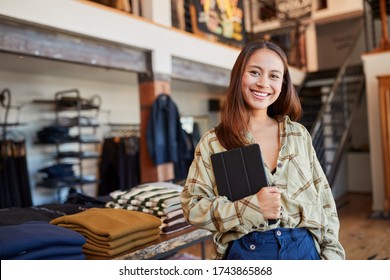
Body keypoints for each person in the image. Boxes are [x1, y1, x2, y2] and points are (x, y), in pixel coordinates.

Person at [180, 40, 345, 260]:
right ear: (239, 76)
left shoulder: (298, 134)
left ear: (283, 84)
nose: (263, 83)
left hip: (305, 250)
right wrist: (251, 207)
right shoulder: (213, 142)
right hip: (247, 253)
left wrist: (333, 255)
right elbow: (192, 207)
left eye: (274, 76)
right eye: (255, 72)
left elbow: (324, 198)